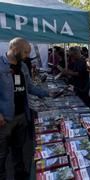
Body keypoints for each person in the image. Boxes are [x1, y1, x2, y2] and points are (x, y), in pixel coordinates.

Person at [0, 37, 49, 180]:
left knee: (18, 149)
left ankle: (20, 174)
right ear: (15, 49)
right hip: (5, 119)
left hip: (21, 115)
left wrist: (47, 93)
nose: (27, 56)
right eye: (25, 52)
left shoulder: (23, 66)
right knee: (2, 154)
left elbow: (30, 87)